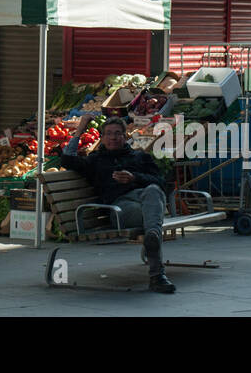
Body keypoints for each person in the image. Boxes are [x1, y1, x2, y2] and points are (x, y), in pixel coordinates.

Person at [61, 114, 175, 293]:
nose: (113, 137)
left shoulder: (139, 157)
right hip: (120, 209)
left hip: (146, 199)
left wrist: (134, 178)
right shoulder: (95, 160)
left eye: (117, 133)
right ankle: (156, 272)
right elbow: (66, 159)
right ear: (102, 138)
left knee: (153, 190)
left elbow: (161, 183)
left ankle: (152, 237)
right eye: (108, 134)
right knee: (151, 214)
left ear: (125, 136)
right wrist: (81, 128)